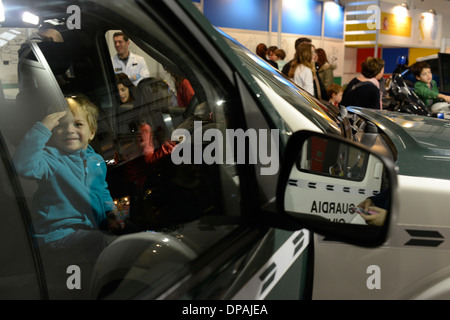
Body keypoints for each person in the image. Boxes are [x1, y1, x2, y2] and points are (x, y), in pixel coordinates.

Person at [12, 95, 126, 297]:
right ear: (52, 133)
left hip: (86, 232)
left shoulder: (96, 160)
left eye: (78, 124)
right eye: (60, 126)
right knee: (103, 246)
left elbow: (102, 191)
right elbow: (23, 165)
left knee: (118, 240)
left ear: (91, 132)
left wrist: (114, 214)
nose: (70, 130)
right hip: (57, 235)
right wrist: (42, 127)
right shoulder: (50, 158)